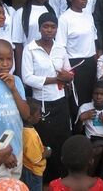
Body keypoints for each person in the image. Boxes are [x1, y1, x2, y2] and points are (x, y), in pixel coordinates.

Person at [22, 12, 73, 183]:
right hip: (41, 104)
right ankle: (44, 180)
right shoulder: (30, 49)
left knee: (61, 139)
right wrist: (56, 79)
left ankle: (61, 179)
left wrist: (68, 76)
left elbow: (69, 70)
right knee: (44, 141)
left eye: (53, 27)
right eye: (46, 26)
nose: (49, 30)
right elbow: (27, 77)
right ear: (40, 28)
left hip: (60, 101)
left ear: (57, 29)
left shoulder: (60, 48)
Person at [0, 39, 29, 182]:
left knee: (14, 185)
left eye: (9, 59)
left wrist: (14, 89)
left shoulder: (16, 81)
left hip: (17, 149)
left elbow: (26, 114)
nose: (5, 64)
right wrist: (2, 152)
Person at [55, 0, 97, 109]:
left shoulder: (89, 15)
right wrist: (66, 69)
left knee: (91, 97)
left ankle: (87, 128)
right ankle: (76, 127)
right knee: (77, 100)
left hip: (91, 63)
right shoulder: (64, 18)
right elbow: (61, 46)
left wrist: (96, 61)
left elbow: (93, 40)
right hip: (75, 64)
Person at [12, 0, 55, 77]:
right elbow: (18, 45)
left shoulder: (51, 11)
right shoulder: (20, 13)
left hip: (48, 61)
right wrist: (20, 73)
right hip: (29, 61)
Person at [75, 81, 103, 179]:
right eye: (96, 93)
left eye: (102, 94)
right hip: (91, 139)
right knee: (98, 149)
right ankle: (89, 176)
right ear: (92, 94)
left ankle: (102, 178)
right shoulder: (85, 107)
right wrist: (81, 119)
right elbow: (77, 132)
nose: (98, 97)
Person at [21, 97, 52, 191]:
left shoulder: (26, 129)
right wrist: (47, 151)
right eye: (38, 113)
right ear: (29, 117)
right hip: (33, 172)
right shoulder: (29, 135)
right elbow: (35, 158)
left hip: (29, 168)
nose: (40, 116)